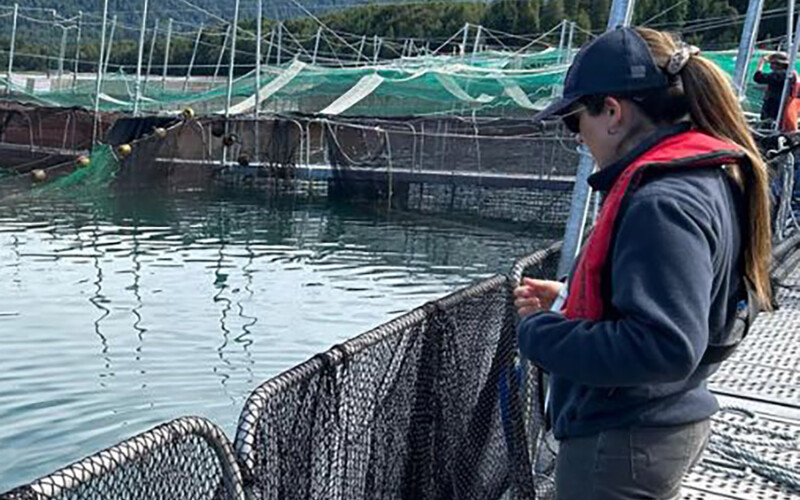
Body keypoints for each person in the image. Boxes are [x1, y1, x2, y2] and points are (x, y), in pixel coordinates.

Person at [514, 27, 772, 500]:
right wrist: (572, 300)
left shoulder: (662, 202)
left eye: (575, 121)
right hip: (661, 426)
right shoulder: (707, 179)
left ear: (611, 112)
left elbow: (663, 345)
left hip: (622, 445)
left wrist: (537, 333)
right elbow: (692, 303)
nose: (579, 138)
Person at [753, 51, 798, 131]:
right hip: (780, 106)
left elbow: (758, 77)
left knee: (767, 125)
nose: (771, 66)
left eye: (772, 63)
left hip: (774, 108)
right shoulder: (789, 74)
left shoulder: (780, 75)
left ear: (778, 64)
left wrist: (761, 63)